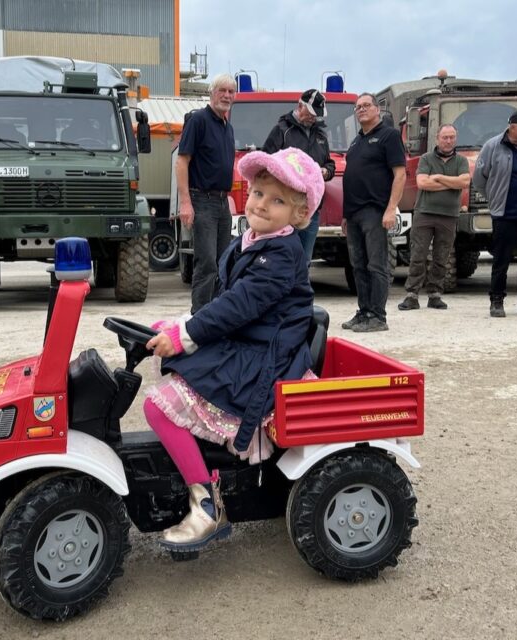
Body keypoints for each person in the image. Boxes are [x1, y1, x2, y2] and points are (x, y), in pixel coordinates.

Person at [142, 147, 323, 552]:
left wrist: (186, 333)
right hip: (247, 343)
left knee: (158, 406)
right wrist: (179, 326)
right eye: (259, 193)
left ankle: (206, 505)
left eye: (278, 200)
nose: (262, 204)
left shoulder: (281, 254)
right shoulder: (251, 240)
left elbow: (239, 306)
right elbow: (224, 301)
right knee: (172, 353)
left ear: (298, 215)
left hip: (265, 360)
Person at [341, 92, 406, 332]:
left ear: (377, 109)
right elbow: (352, 178)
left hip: (376, 211)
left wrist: (391, 209)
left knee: (376, 265)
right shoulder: (356, 141)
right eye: (358, 107)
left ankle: (378, 316)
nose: (361, 110)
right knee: (358, 265)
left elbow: (400, 174)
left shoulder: (389, 136)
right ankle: (364, 311)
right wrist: (346, 215)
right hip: (354, 214)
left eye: (366, 105)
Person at [473, 109, 517, 318]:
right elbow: (479, 179)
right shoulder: (493, 146)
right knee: (501, 259)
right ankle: (496, 300)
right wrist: (494, 196)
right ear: (513, 127)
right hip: (504, 213)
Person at [176, 73, 236, 313]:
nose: (226, 95)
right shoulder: (198, 120)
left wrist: (228, 199)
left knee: (224, 263)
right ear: (211, 93)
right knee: (207, 263)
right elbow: (182, 162)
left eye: (231, 92)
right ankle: (199, 315)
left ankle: (218, 314)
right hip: (202, 201)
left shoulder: (227, 127)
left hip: (222, 203)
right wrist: (185, 203)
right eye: (222, 90)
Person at [398, 124, 470, 311]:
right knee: (418, 254)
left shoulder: (461, 161)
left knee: (442, 256)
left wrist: (438, 177)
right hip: (425, 213)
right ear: (437, 138)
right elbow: (423, 183)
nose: (448, 141)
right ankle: (412, 295)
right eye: (445, 137)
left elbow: (464, 182)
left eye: (452, 137)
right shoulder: (426, 159)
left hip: (449, 215)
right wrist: (451, 183)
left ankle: (435, 294)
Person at [261, 89, 335, 261]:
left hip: (311, 209)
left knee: (305, 259)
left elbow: (329, 163)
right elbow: (266, 161)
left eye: (317, 115)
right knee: (282, 256)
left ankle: (300, 287)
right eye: (311, 113)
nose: (314, 118)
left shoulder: (321, 135)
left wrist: (327, 171)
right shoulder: (281, 130)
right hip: (285, 205)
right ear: (300, 105)